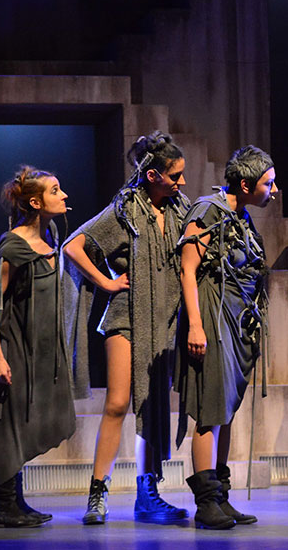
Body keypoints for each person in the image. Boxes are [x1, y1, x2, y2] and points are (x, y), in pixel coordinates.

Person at [63, 131, 190, 525]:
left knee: (153, 406)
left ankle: (147, 493)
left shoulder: (181, 210)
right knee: (118, 403)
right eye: (175, 175)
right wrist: (106, 282)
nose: (182, 181)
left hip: (165, 319)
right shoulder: (123, 211)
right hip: (127, 316)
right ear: (153, 175)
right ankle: (97, 494)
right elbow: (73, 246)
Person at [175, 145, 278, 529]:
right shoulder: (208, 211)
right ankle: (206, 504)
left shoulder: (242, 217)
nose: (274, 190)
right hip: (212, 317)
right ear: (246, 185)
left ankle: (221, 496)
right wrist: (196, 325)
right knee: (210, 409)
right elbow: (188, 269)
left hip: (237, 322)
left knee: (227, 410)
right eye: (268, 183)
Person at [0, 167, 76, 527]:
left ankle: (17, 501)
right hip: (11, 346)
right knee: (7, 424)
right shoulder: (13, 246)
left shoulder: (49, 237)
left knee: (22, 422)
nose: (64, 196)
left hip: (36, 348)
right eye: (55, 190)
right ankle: (4, 506)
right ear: (35, 202)